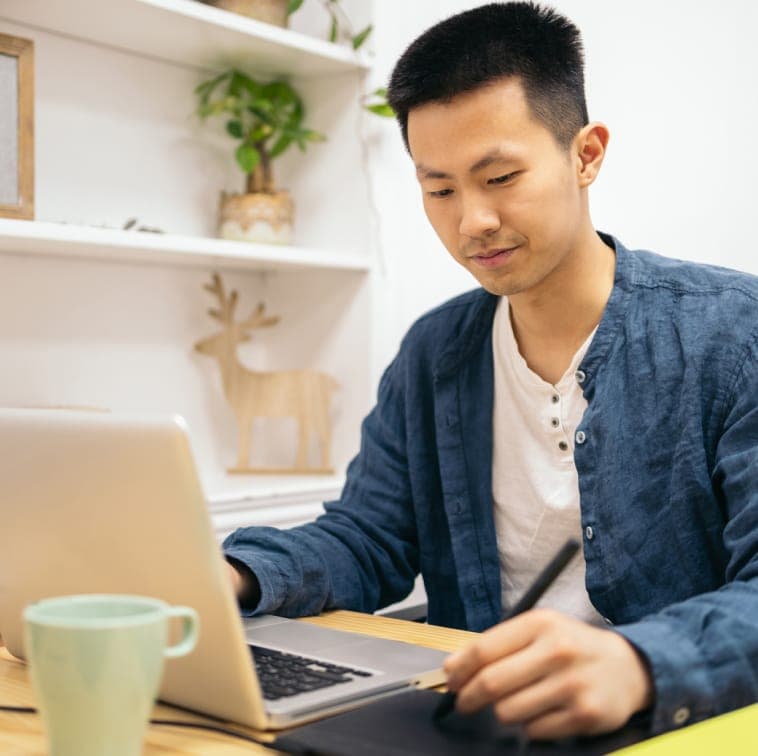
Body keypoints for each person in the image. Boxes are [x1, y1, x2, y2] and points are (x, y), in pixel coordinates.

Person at [223, 1, 758, 739]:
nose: (470, 221)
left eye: (499, 176)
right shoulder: (434, 352)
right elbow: (369, 540)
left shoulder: (732, 334)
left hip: (666, 719)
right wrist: (236, 576)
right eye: (439, 189)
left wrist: (638, 662)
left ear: (586, 154)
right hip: (471, 716)